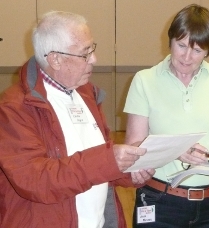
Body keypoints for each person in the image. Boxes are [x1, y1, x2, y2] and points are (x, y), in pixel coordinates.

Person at [0, 11, 155, 228]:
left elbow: (98, 165)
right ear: (55, 59)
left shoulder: (85, 93)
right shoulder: (14, 108)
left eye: (92, 49)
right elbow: (37, 181)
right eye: (85, 53)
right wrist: (109, 160)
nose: (94, 59)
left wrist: (130, 171)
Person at [124, 4, 209, 228]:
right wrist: (176, 151)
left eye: (198, 50)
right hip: (160, 201)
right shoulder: (144, 80)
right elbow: (134, 144)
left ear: (208, 51)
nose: (187, 57)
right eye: (181, 45)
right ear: (169, 39)